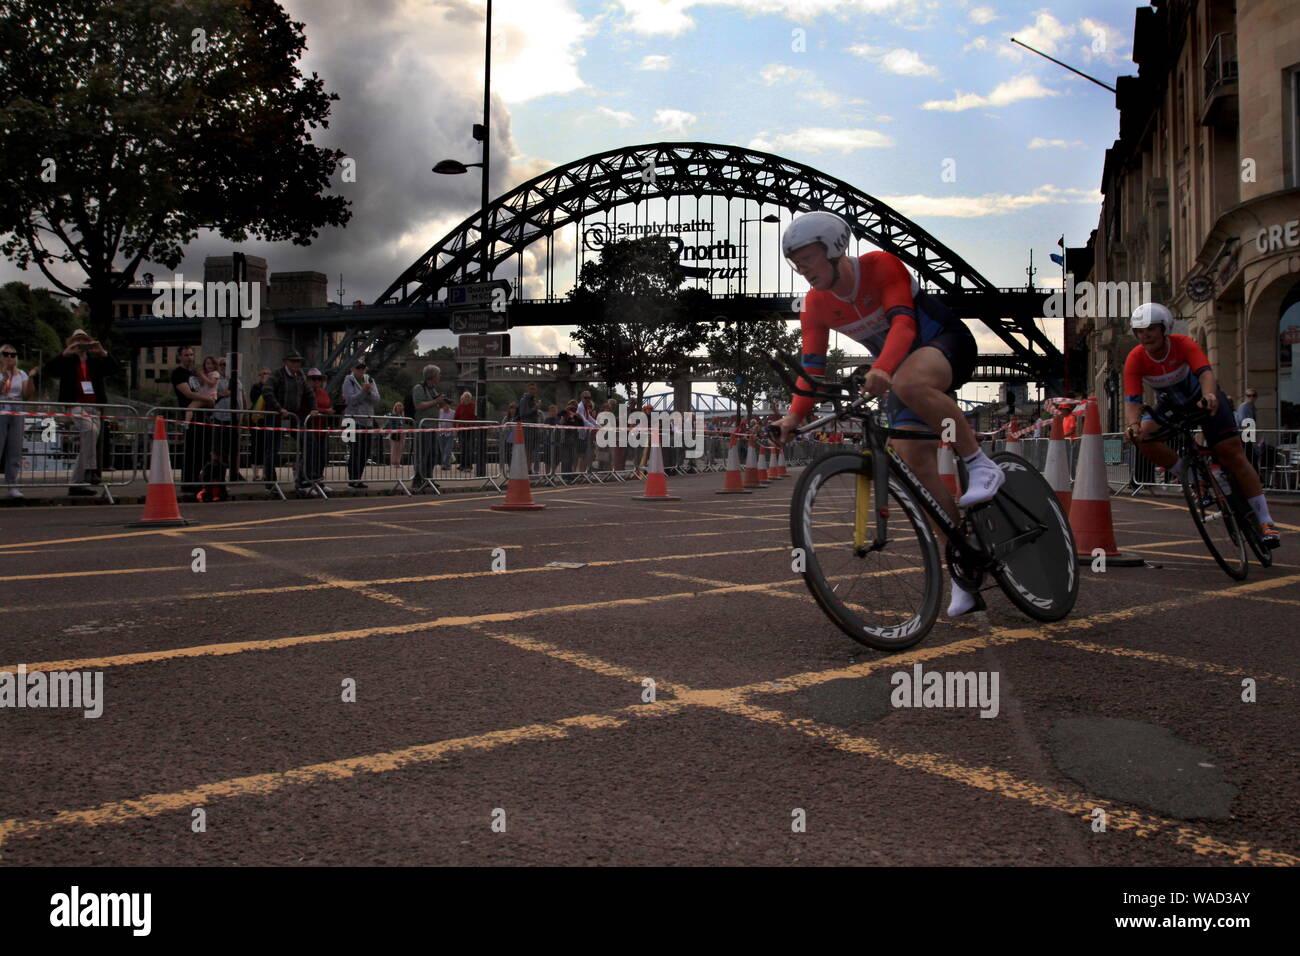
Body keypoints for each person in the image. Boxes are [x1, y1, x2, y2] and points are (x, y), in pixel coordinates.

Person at [773, 210, 992, 617]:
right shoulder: (816, 304)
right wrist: (792, 419)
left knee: (908, 381)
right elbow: (812, 371)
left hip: (945, 345)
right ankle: (964, 567)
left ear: (835, 249)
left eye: (808, 259)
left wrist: (883, 370)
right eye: (796, 263)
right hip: (895, 370)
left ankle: (978, 462)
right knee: (917, 469)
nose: (802, 269)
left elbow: (905, 328)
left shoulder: (880, 265)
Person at [1124, 303, 1279, 547]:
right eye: (1139, 331)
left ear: (1164, 329)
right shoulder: (1135, 358)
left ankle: (1265, 521)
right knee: (1141, 436)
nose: (1145, 335)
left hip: (1203, 400)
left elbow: (1206, 373)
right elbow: (1133, 399)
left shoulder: (1183, 344)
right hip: (1172, 405)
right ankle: (1193, 475)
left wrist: (1210, 396)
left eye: (1151, 329)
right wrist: (1133, 424)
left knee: (1232, 453)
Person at [34, 330, 122, 495]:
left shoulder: (95, 361)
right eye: (77, 341)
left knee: (89, 441)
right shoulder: (67, 361)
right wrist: (65, 353)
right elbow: (49, 369)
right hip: (75, 404)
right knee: (90, 431)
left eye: (84, 341)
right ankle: (91, 469)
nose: (81, 345)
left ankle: (76, 484)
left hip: (94, 406)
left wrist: (103, 352)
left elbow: (115, 369)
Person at [261, 351, 311, 490]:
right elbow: (267, 391)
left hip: (293, 416)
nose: (297, 364)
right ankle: (270, 482)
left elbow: (308, 393)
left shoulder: (299, 376)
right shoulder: (277, 375)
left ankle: (303, 477)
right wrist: (279, 408)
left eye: (298, 361)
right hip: (276, 416)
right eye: (294, 361)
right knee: (272, 449)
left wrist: (313, 408)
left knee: (307, 441)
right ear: (286, 362)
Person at [1, 344, 36, 497]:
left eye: (13, 354)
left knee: (14, 449)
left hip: (16, 409)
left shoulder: (21, 373)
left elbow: (27, 394)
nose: (9, 357)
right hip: (1, 409)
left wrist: (32, 377)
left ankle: (12, 485)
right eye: (6, 354)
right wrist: (4, 378)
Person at [342, 358, 378, 488]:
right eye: (358, 368)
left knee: (365, 451)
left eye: (363, 368)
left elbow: (376, 399)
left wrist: (368, 392)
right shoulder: (348, 380)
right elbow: (350, 400)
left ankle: (359, 477)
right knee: (355, 450)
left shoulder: (370, 380)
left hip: (367, 421)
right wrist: (363, 392)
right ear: (352, 369)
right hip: (352, 420)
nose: (361, 370)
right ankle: (353, 479)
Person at [299, 368, 334, 493]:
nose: (316, 381)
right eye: (313, 379)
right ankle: (304, 482)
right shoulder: (305, 392)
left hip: (322, 428)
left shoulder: (323, 393)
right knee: (309, 455)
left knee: (321, 456)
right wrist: (325, 411)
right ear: (308, 380)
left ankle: (317, 480)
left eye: (319, 379)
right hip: (309, 427)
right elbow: (306, 407)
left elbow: (327, 405)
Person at [411, 365, 442, 490]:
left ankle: (428, 478)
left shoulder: (432, 390)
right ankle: (418, 478)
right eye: (438, 375)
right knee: (422, 454)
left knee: (432, 454)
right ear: (433, 376)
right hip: (423, 426)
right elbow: (418, 405)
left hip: (433, 426)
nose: (440, 378)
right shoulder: (419, 388)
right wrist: (435, 402)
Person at [453, 391, 477, 471]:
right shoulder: (460, 406)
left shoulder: (474, 406)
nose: (466, 399)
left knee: (469, 447)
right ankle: (463, 465)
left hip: (470, 430)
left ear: (470, 399)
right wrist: (455, 428)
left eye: (468, 397)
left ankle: (469, 466)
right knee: (463, 447)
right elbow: (455, 417)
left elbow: (476, 417)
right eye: (464, 397)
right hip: (461, 430)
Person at [386, 401, 409, 469]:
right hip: (395, 433)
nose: (399, 407)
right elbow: (391, 425)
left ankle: (398, 462)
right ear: (395, 407)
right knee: (394, 448)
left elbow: (404, 425)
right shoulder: (392, 416)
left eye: (400, 406)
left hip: (402, 434)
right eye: (398, 406)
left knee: (400, 449)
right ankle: (393, 463)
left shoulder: (402, 416)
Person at [436, 397, 455, 469]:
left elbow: (455, 422)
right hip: (441, 433)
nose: (446, 406)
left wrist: (455, 430)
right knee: (442, 450)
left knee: (448, 449)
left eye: (447, 405)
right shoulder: (439, 412)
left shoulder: (453, 413)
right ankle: (447, 464)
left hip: (450, 433)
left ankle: (444, 464)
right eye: (444, 405)